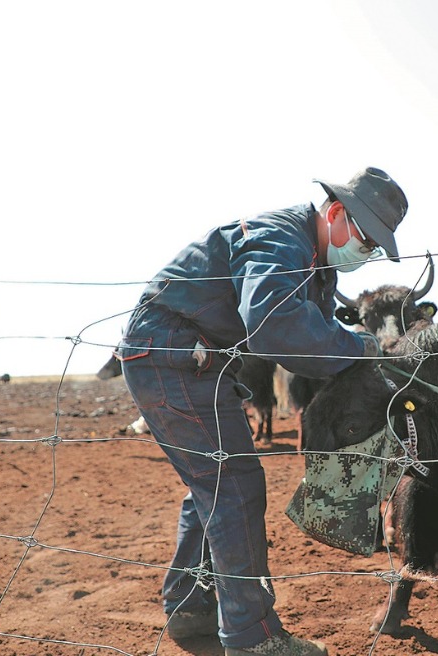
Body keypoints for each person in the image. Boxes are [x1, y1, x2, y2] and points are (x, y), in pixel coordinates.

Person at [117, 167, 408, 656]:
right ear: (336, 213)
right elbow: (276, 326)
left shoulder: (313, 259)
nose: (369, 253)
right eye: (367, 239)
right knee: (234, 486)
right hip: (174, 353)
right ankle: (253, 639)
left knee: (211, 485)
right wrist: (359, 348)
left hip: (189, 355)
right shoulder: (279, 241)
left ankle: (191, 607)